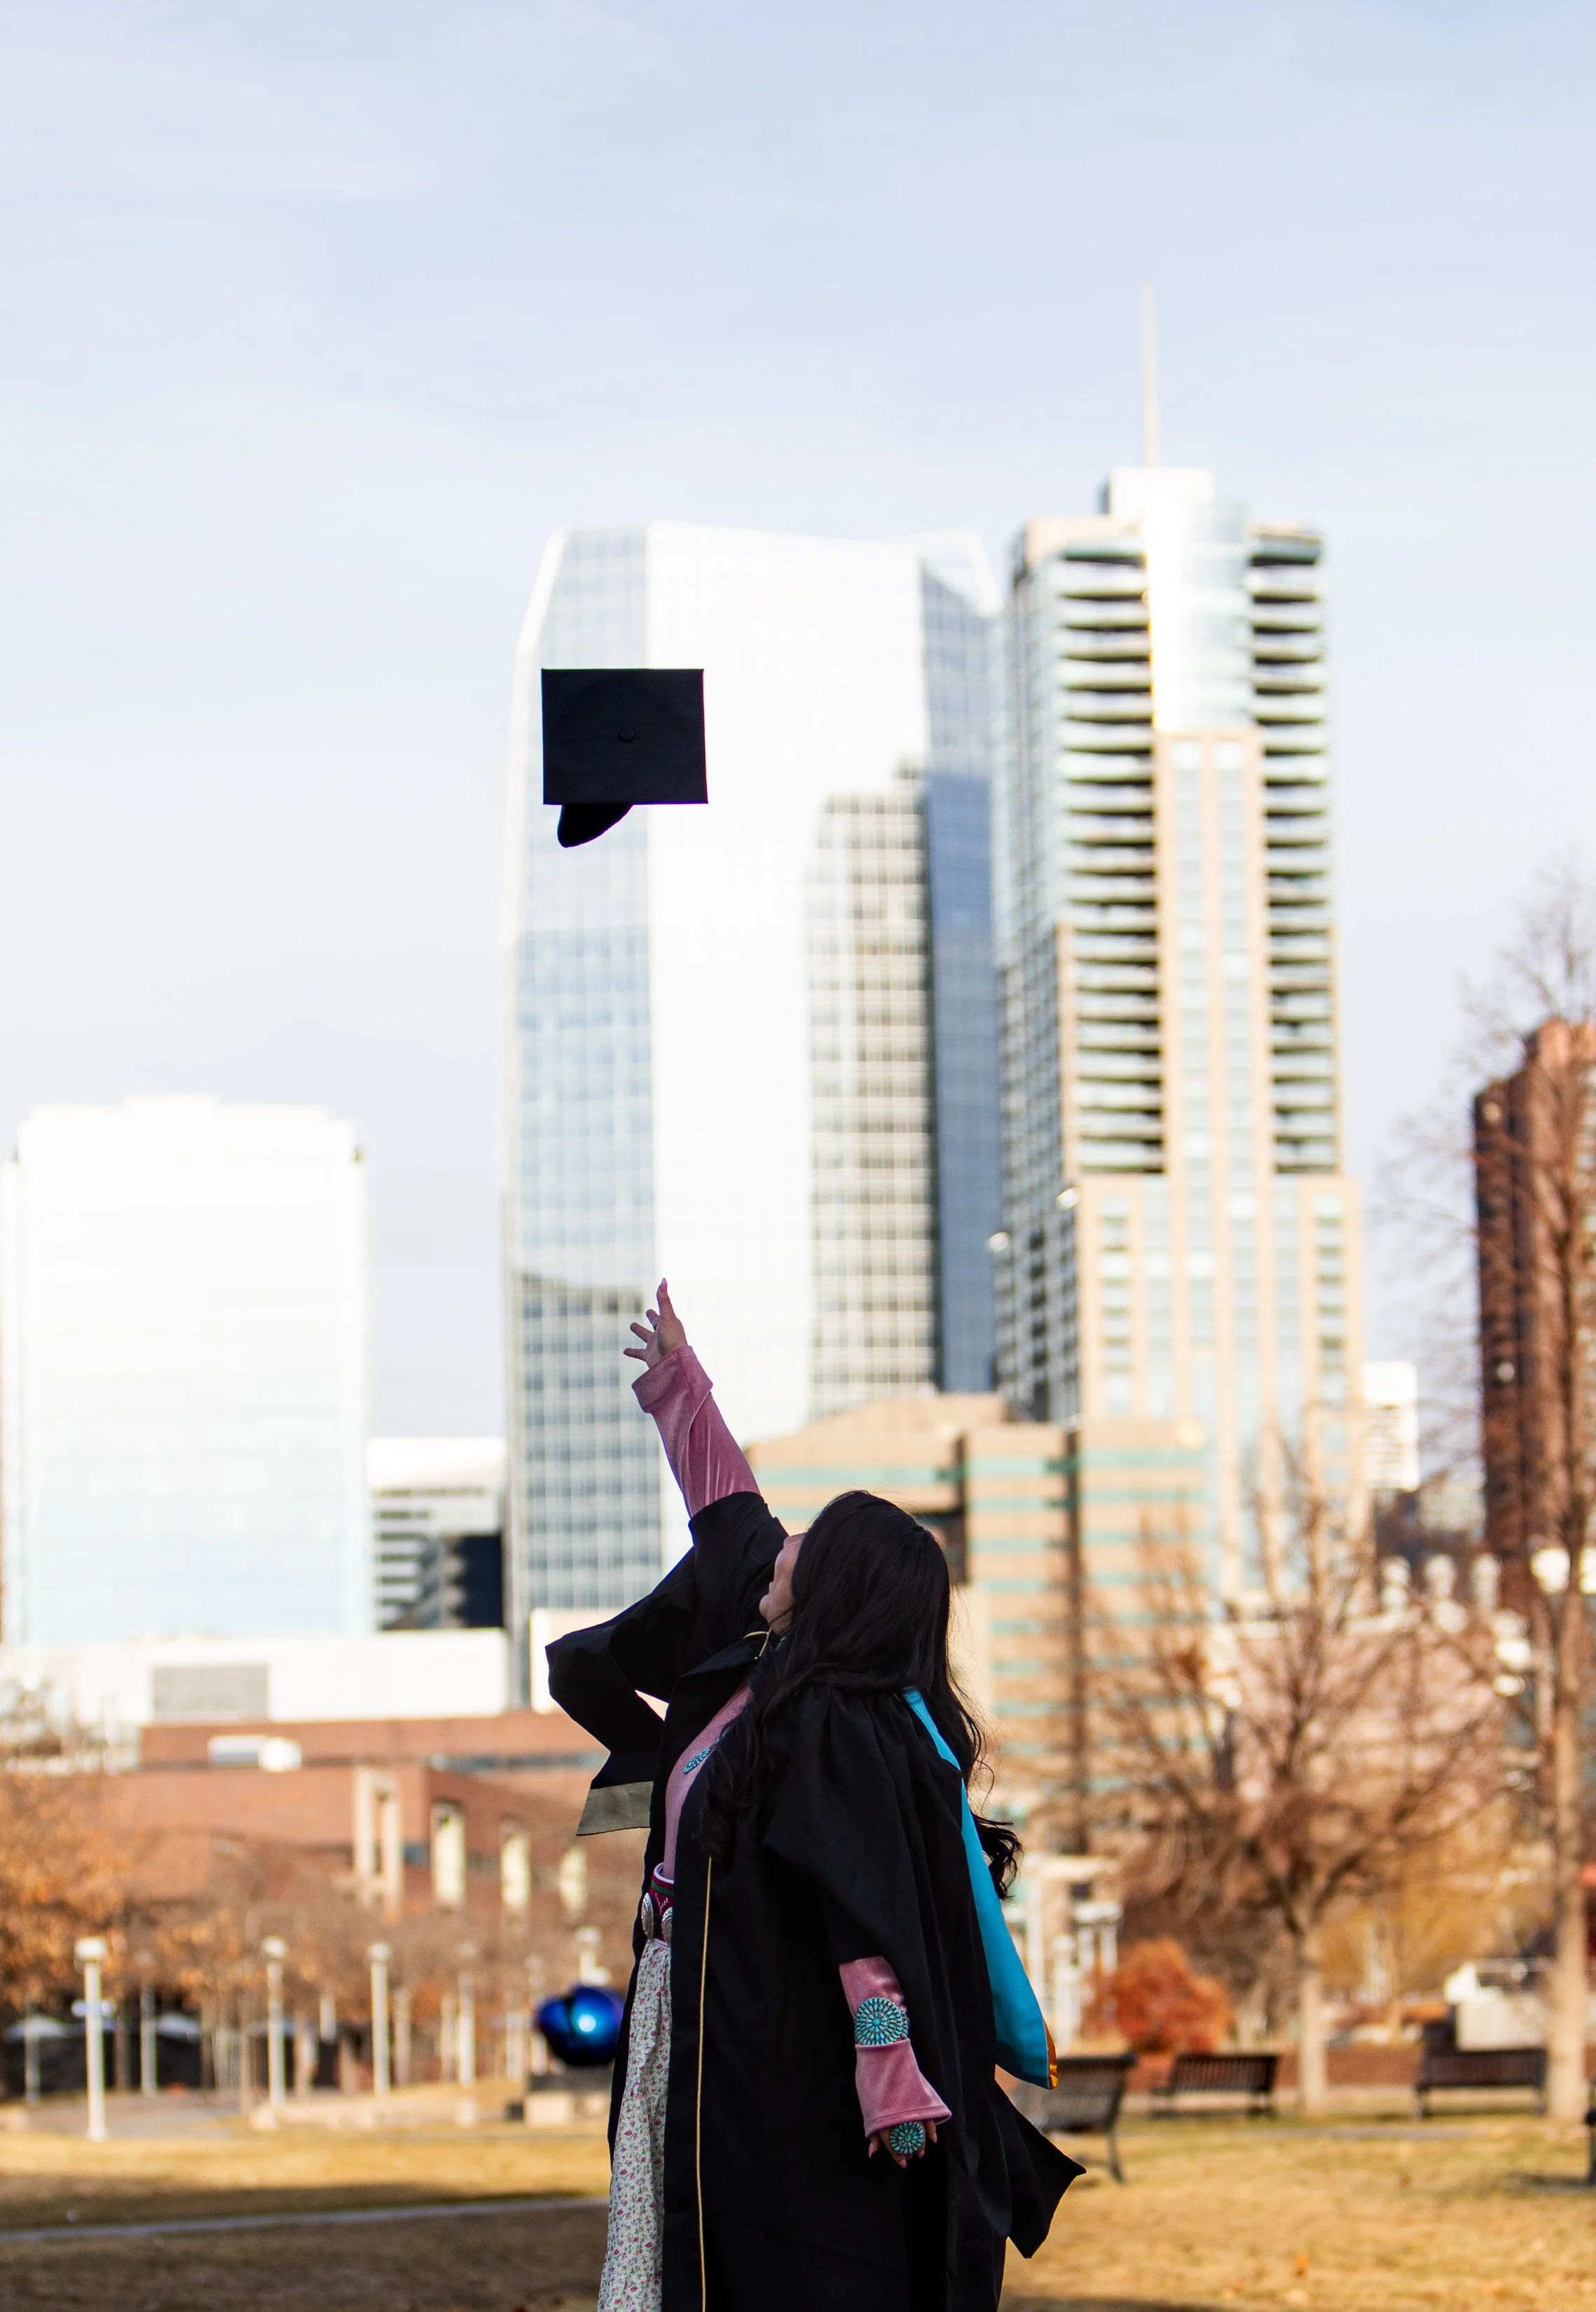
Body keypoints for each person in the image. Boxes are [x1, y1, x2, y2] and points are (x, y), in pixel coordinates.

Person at [546, 1281, 1078, 2312]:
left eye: (807, 1546)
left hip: (770, 2030)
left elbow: (857, 1892)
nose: (781, 1550)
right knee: (672, 2250)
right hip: (684, 2003)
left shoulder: (840, 1721)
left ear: (832, 1587)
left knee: (762, 2256)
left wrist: (885, 2053)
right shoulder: (766, 1669)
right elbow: (728, 1506)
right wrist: (677, 1380)